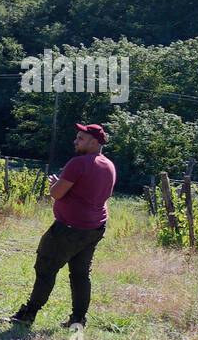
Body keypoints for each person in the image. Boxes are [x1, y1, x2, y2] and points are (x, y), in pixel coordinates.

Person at [9, 122, 117, 328]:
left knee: (46, 269)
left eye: (80, 138)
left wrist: (54, 184)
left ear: (94, 142)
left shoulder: (79, 163)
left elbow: (57, 193)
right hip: (94, 228)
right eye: (76, 137)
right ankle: (78, 319)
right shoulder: (109, 165)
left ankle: (28, 315)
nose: (75, 141)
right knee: (80, 274)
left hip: (69, 229)